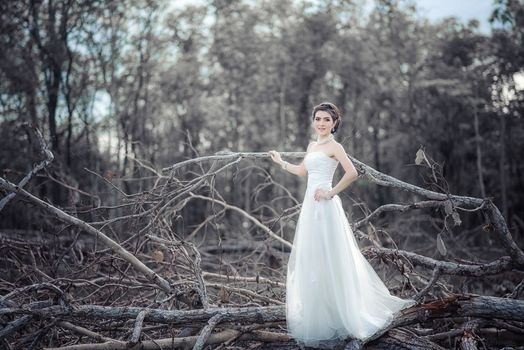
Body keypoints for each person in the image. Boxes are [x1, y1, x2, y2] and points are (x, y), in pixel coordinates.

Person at [268, 102, 416, 348]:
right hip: (309, 208)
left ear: (334, 123)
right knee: (313, 258)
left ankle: (343, 313)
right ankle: (321, 313)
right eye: (318, 119)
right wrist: (280, 161)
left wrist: (331, 193)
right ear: (313, 121)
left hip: (325, 208)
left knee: (331, 256)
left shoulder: (335, 146)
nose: (322, 123)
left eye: (327, 119)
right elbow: (302, 172)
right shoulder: (312, 145)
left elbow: (352, 172)